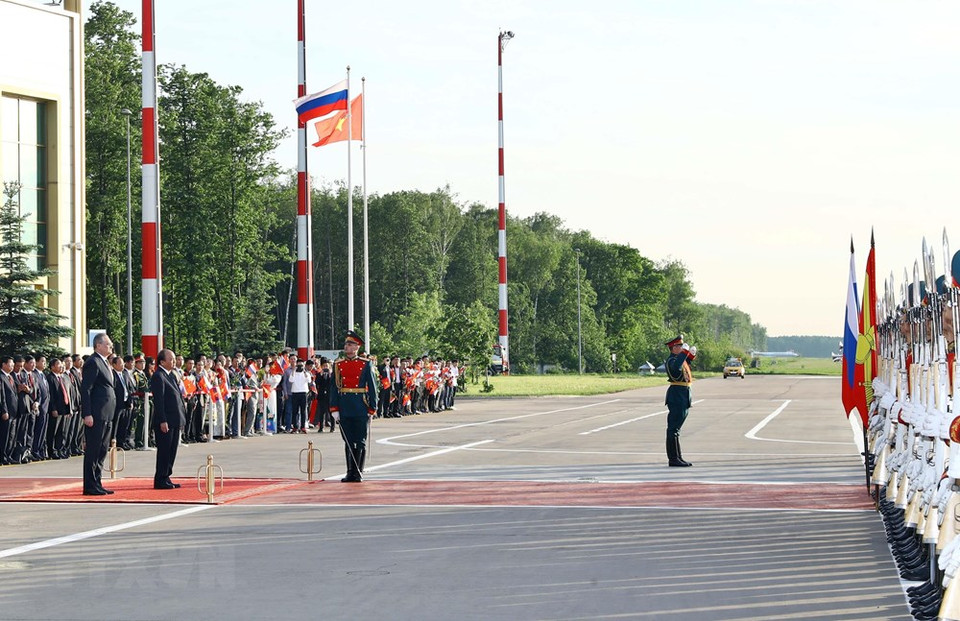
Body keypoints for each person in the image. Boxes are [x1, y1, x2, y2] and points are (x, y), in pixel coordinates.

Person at [329, 330, 378, 482]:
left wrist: (372, 408)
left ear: (357, 347)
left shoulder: (365, 364)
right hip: (345, 405)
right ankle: (350, 471)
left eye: (350, 345)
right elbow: (334, 388)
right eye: (346, 344)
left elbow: (373, 386)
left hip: (360, 405)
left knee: (360, 440)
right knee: (348, 440)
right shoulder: (338, 365)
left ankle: (358, 472)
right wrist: (334, 408)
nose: (347, 347)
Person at [80, 333, 118, 495]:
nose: (110, 346)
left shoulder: (105, 362)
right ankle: (89, 485)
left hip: (107, 414)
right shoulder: (93, 362)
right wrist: (87, 413)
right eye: (108, 344)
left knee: (102, 450)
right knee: (93, 450)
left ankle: (97, 482)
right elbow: (86, 389)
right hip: (96, 414)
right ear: (98, 345)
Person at [150, 348, 187, 489]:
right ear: (162, 361)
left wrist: (182, 419)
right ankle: (160, 479)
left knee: (172, 450)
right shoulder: (158, 376)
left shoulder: (171, 375)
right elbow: (159, 401)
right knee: (164, 451)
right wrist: (163, 420)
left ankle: (166, 476)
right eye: (171, 359)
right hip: (166, 421)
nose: (174, 361)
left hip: (175, 419)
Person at [664, 334, 696, 467]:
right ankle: (673, 459)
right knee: (673, 429)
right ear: (673, 348)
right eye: (680, 346)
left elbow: (685, 365)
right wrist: (684, 353)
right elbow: (676, 368)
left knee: (676, 430)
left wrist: (690, 355)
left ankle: (678, 457)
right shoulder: (672, 361)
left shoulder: (679, 359)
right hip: (677, 395)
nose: (682, 347)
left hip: (682, 395)